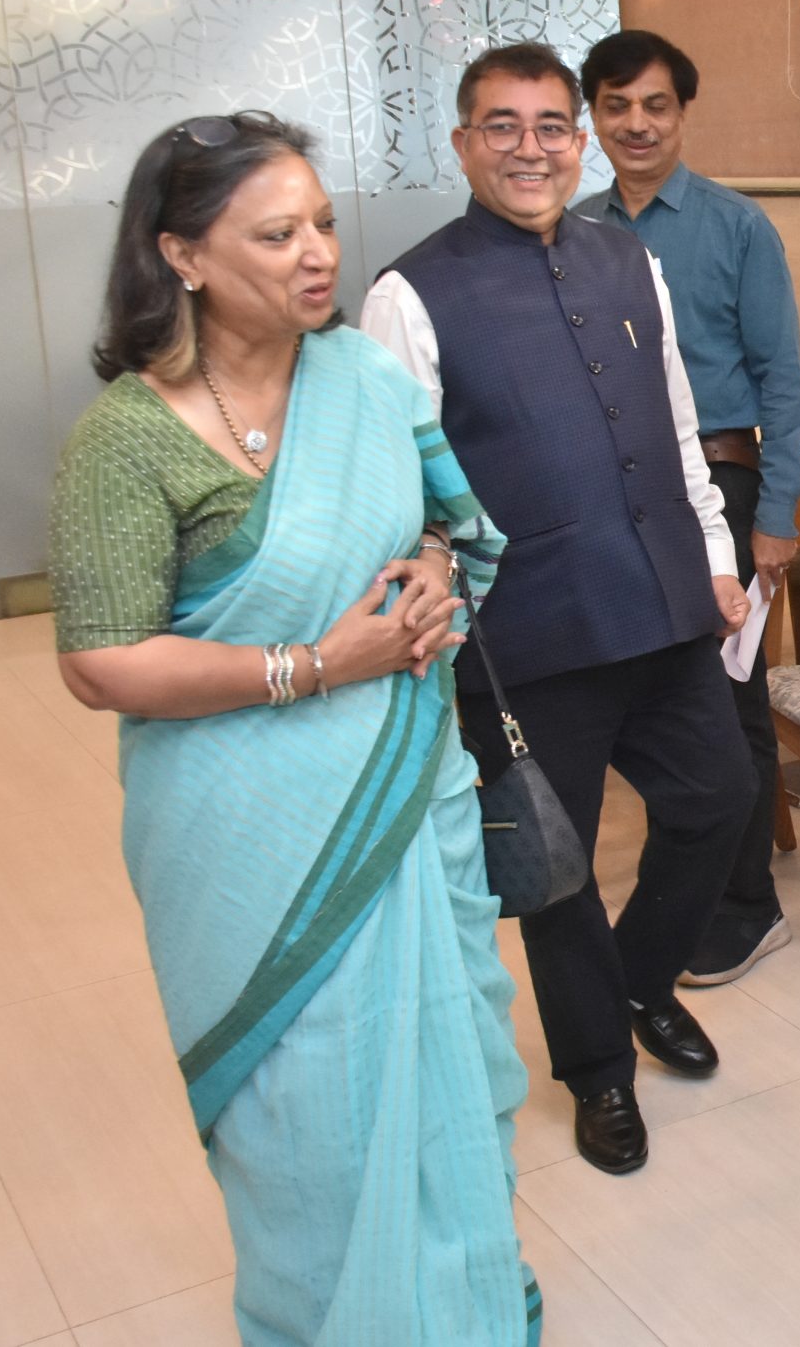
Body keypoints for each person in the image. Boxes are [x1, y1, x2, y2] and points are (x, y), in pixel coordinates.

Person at [49, 112, 540, 1346]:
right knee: (305, 1126)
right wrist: (317, 665)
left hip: (411, 791)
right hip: (245, 833)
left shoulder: (365, 379)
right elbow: (100, 664)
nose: (318, 253)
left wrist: (432, 570)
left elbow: (459, 527)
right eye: (276, 235)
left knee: (450, 1075)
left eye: (321, 223)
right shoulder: (127, 438)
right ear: (181, 256)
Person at [359, 42, 755, 1180]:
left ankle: (636, 983)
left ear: (577, 141)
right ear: (462, 143)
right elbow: (397, 487)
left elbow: (676, 428)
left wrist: (715, 556)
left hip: (664, 601)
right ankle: (597, 1071)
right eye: (502, 125)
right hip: (524, 633)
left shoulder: (630, 260)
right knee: (558, 860)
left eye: (549, 126)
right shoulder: (408, 294)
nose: (528, 148)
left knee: (720, 798)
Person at [580, 28, 800, 987]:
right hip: (613, 493)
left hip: (722, 483)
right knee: (651, 693)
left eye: (656, 105)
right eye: (617, 106)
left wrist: (777, 513)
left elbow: (783, 381)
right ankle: (685, 879)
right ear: (595, 117)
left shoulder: (735, 227)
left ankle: (746, 906)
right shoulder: (575, 230)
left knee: (728, 696)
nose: (637, 124)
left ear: (682, 114)